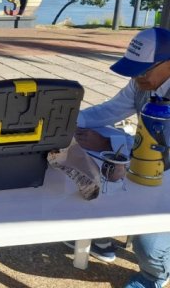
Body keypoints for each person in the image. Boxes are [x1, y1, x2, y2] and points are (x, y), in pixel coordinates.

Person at [69, 27, 170, 287]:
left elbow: (162, 149)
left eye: (143, 70)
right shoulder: (144, 81)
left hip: (164, 173)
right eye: (134, 70)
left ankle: (154, 277)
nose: (137, 77)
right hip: (149, 170)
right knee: (83, 169)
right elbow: (112, 109)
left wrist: (109, 143)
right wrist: (67, 122)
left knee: (148, 247)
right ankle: (97, 233)